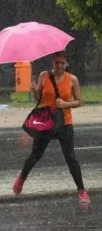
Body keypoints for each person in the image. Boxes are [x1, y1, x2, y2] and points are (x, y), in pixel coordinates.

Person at [12, 51, 91, 205]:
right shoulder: (44, 76)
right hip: (46, 122)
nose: (59, 65)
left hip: (64, 123)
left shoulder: (72, 79)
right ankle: (21, 177)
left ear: (67, 64)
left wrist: (66, 104)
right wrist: (35, 91)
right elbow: (39, 99)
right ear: (53, 63)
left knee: (71, 158)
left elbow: (80, 101)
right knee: (35, 154)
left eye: (62, 63)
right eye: (57, 62)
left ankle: (82, 191)